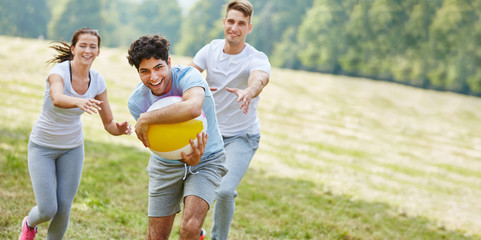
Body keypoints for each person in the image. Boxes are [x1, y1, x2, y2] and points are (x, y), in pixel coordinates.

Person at [18, 28, 132, 240]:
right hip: (42, 146)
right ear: (73, 48)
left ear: (98, 51)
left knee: (63, 208)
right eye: (83, 45)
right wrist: (79, 100)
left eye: (93, 46)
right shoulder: (58, 72)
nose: (88, 50)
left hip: (72, 148)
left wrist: (121, 129)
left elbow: (108, 123)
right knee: (47, 209)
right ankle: (29, 223)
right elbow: (57, 98)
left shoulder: (97, 81)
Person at [126, 34, 227, 240]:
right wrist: (183, 157)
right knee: (156, 236)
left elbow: (192, 108)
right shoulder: (137, 102)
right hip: (166, 164)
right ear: (138, 72)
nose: (153, 77)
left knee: (189, 228)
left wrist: (147, 118)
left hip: (207, 159)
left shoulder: (189, 77)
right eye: (144, 71)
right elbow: (161, 142)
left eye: (158, 67)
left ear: (169, 62)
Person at [189, 0, 271, 239]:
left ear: (249, 28)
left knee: (224, 191)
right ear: (224, 23)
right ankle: (198, 231)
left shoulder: (256, 57)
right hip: (210, 134)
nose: (235, 27)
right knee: (189, 188)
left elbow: (260, 79)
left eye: (241, 24)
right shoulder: (210, 50)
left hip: (241, 137)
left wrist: (248, 91)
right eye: (231, 21)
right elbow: (189, 72)